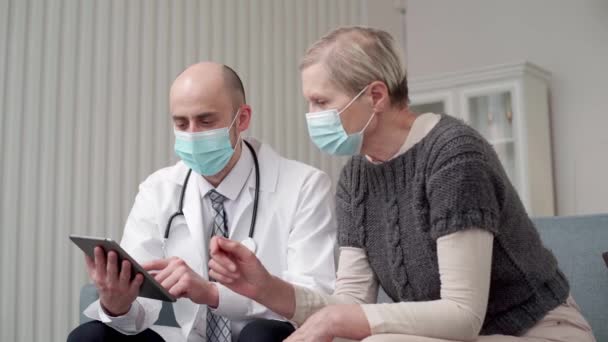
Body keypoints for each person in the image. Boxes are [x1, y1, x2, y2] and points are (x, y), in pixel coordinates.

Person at [206, 26, 596, 342]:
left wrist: (340, 322)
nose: (312, 116)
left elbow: (462, 315)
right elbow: (351, 301)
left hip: (537, 331)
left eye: (321, 102)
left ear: (375, 95)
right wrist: (265, 287)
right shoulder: (357, 177)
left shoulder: (453, 156)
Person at [67, 62, 337, 342]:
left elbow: (313, 303)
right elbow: (141, 311)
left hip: (263, 336)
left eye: (206, 121)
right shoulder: (157, 190)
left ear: (242, 119)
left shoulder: (304, 186)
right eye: (181, 123)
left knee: (260, 336)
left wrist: (214, 294)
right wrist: (118, 305)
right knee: (90, 336)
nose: (192, 134)